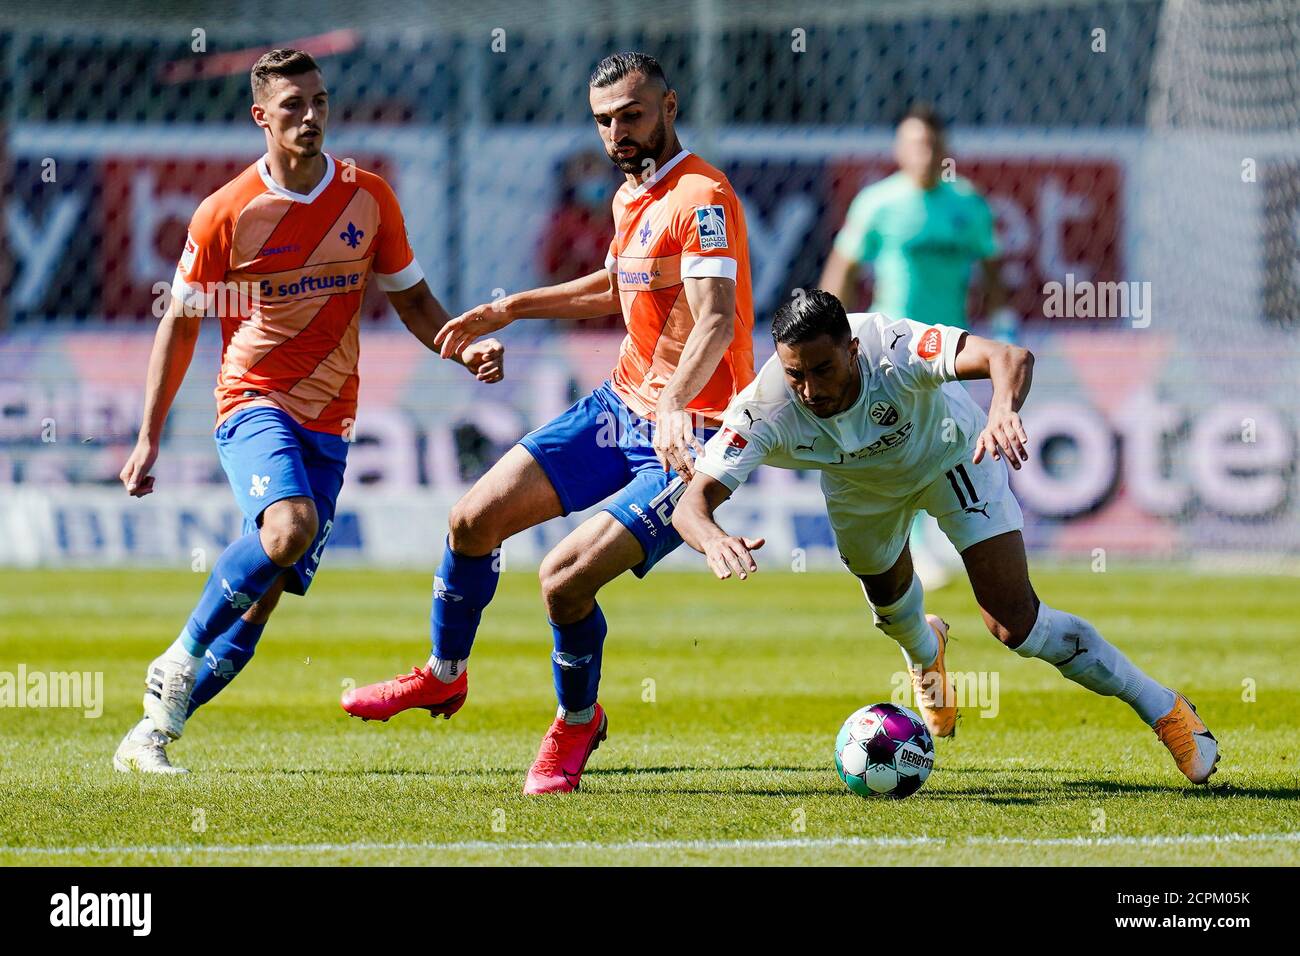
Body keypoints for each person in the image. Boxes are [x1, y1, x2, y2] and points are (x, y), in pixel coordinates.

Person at [341, 51, 757, 795]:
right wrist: (513, 307)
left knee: (562, 580)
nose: (617, 133)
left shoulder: (704, 195)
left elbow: (717, 322)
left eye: (631, 115)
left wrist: (670, 407)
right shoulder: (633, 195)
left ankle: (576, 722)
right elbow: (617, 285)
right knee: (471, 521)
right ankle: (443, 676)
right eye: (603, 121)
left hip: (693, 432)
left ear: (670, 104)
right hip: (620, 407)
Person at [113, 48, 504, 774]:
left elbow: (412, 299)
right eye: (292, 106)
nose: (310, 116)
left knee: (260, 597)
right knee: (288, 529)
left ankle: (152, 732)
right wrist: (148, 438)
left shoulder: (369, 198)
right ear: (260, 116)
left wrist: (463, 349)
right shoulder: (225, 212)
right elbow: (182, 321)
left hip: (333, 422)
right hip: (252, 401)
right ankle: (179, 653)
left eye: (319, 101)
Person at [674, 290, 1219, 786]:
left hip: (953, 459)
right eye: (797, 375)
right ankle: (925, 650)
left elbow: (1009, 357)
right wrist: (714, 538)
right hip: (861, 493)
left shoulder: (894, 345)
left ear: (853, 350)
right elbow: (692, 506)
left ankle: (1166, 709)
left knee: (1017, 626)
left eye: (823, 369)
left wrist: (1002, 410)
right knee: (890, 612)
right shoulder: (764, 406)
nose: (811, 389)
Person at [819, 104, 1012, 589]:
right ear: (899, 151)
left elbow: (993, 274)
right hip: (893, 348)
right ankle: (914, 546)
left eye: (930, 145)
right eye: (913, 145)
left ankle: (939, 538)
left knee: (946, 440)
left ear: (945, 151)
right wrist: (831, 337)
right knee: (906, 440)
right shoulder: (878, 203)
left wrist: (1003, 328)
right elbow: (841, 270)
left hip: (954, 348)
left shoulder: (968, 204)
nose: (923, 155)